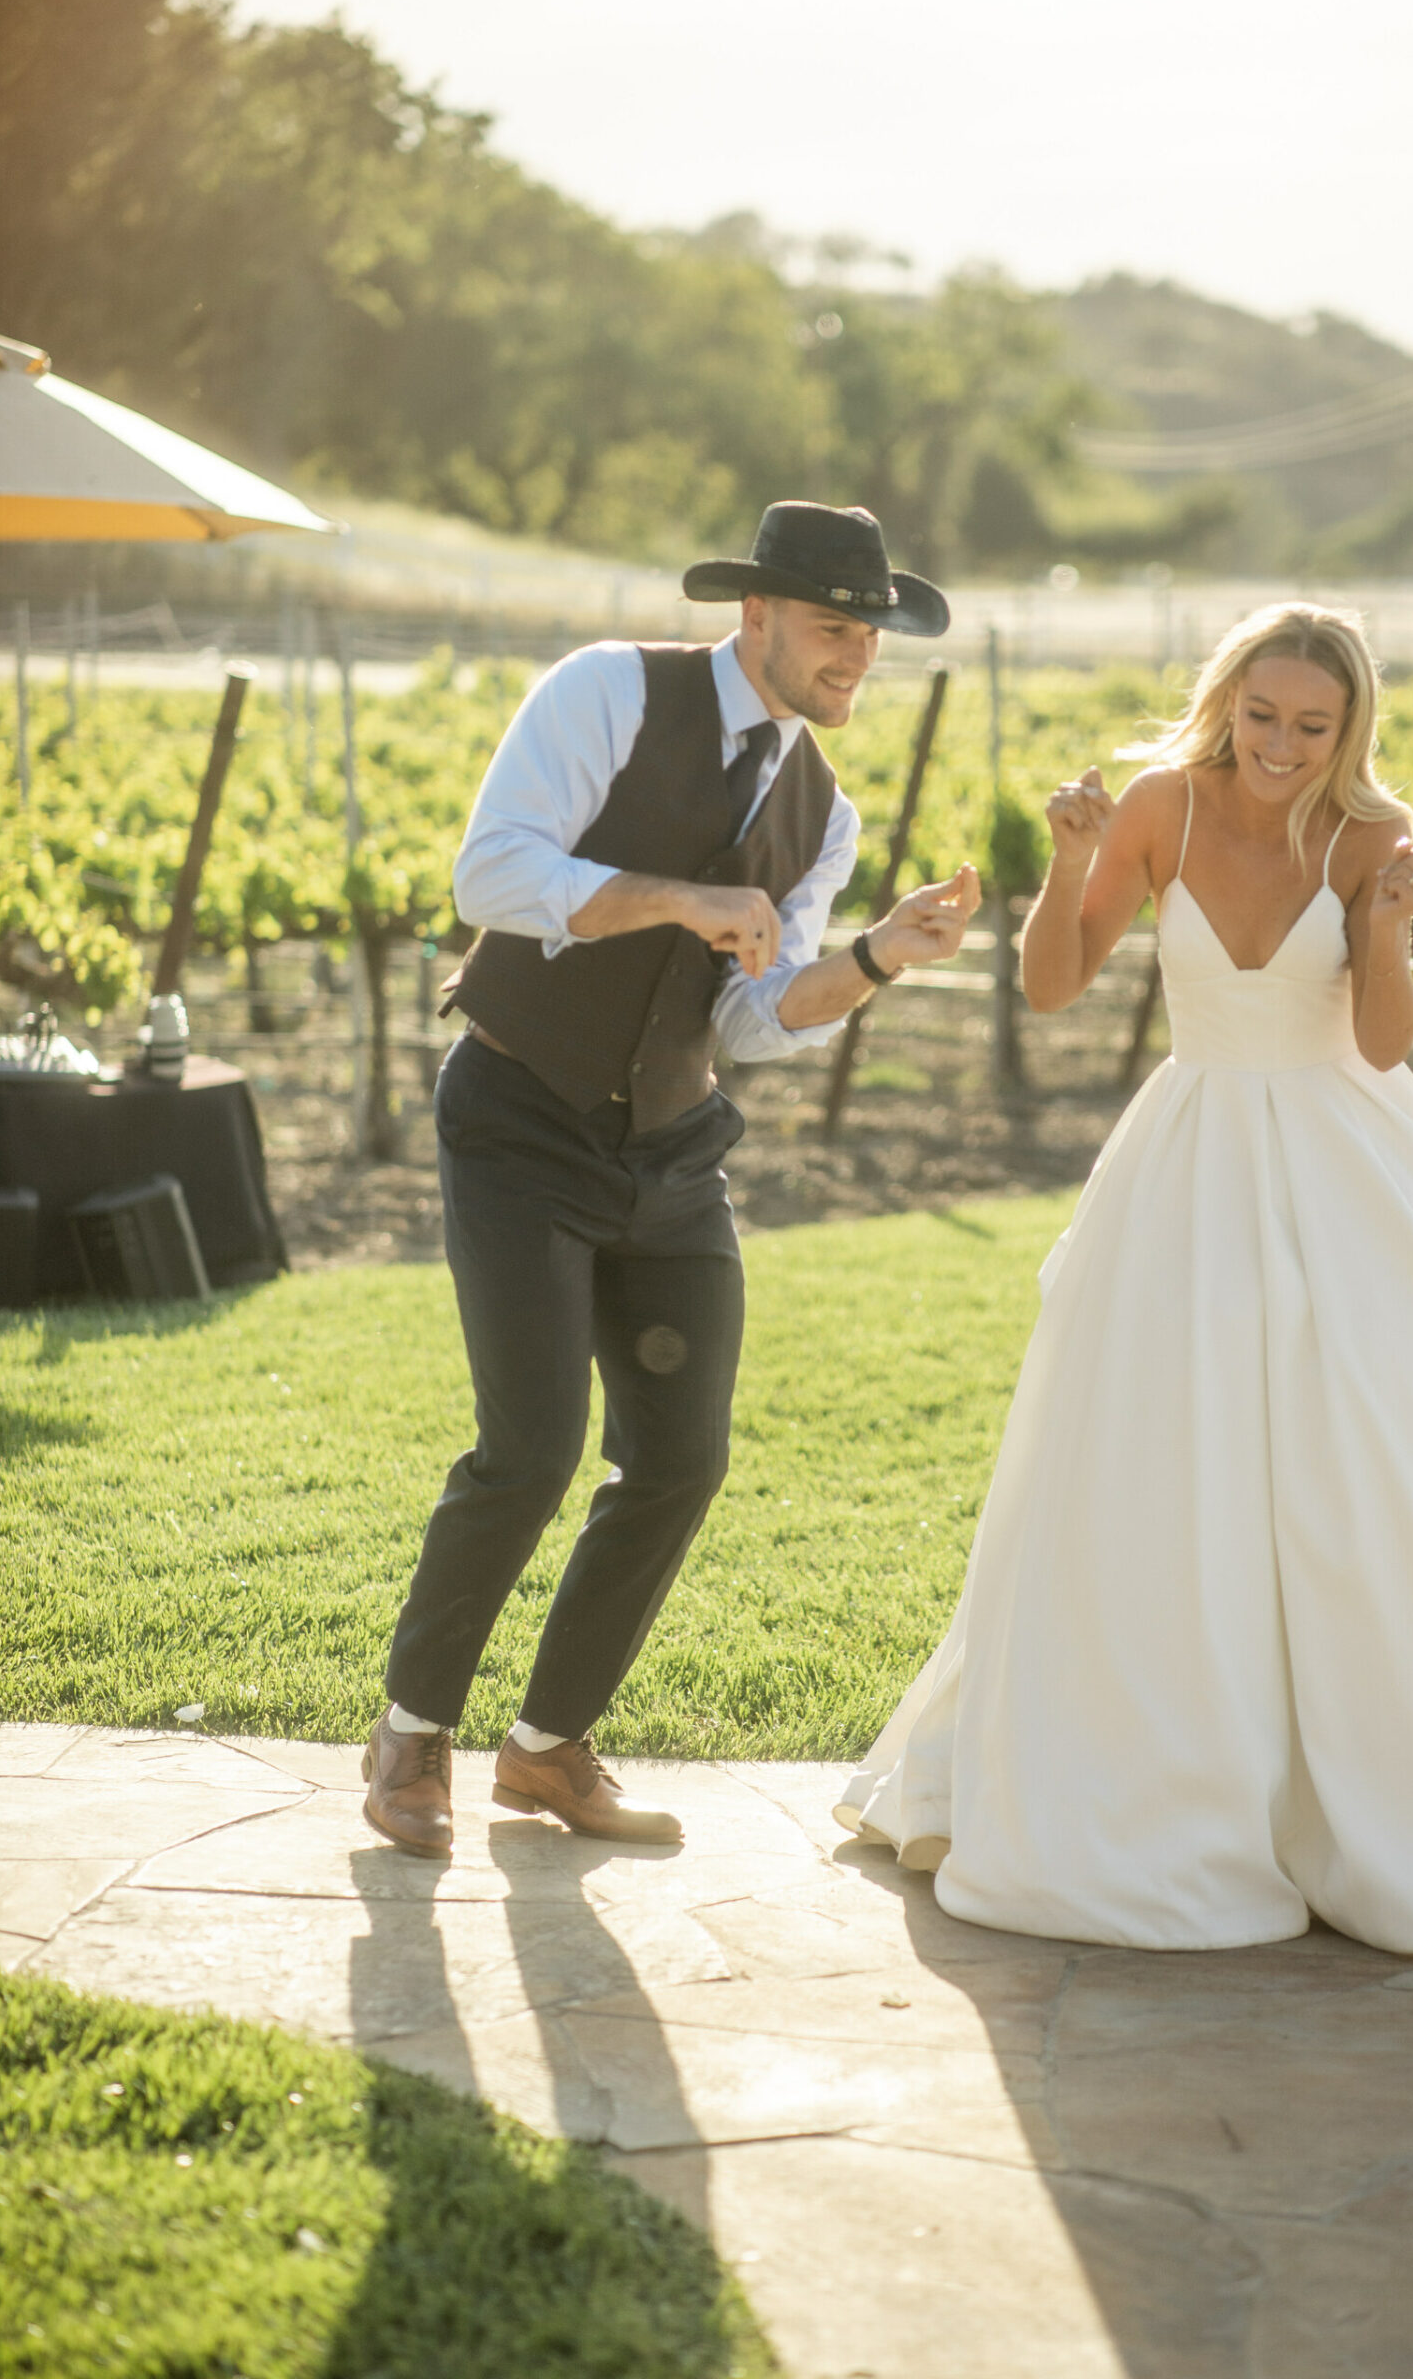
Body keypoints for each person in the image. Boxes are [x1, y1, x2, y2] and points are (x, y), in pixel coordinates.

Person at [837, 600, 1413, 1954]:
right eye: (1262, 716)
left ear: (1347, 728)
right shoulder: (1157, 807)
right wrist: (1069, 863)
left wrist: (1392, 924)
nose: (1283, 747)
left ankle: (1398, 1793)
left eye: (1313, 726)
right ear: (1225, 699)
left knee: (1374, 1455)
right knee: (1155, 1455)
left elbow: (1379, 1041)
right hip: (1187, 1158)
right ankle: (1174, 1777)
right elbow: (1057, 985)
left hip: (1350, 1160)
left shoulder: (1376, 835)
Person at [365, 501, 980, 1859]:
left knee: (681, 1461)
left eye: (871, 635)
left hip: (671, 1150)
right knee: (528, 1450)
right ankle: (413, 1734)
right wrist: (671, 897)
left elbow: (755, 1019)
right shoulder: (606, 691)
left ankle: (549, 1751)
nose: (856, 658)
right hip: (521, 1120)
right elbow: (491, 873)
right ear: (753, 614)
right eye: (833, 628)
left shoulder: (826, 807)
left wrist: (880, 956)